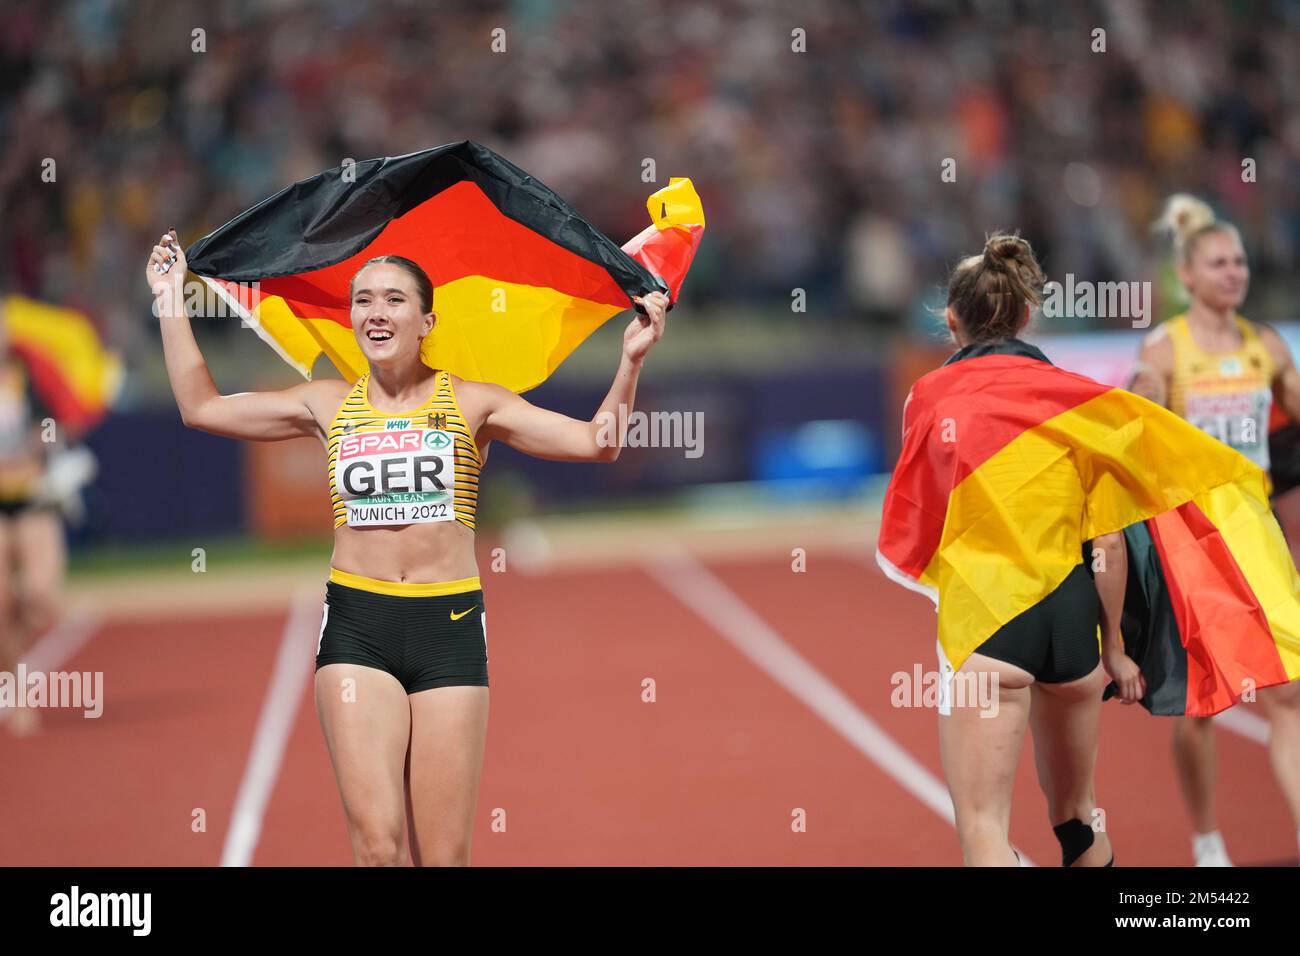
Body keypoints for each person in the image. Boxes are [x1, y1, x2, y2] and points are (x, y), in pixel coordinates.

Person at [146, 229, 670, 865]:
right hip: (358, 628)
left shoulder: (474, 403)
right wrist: (172, 300)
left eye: (394, 300)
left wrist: (631, 360)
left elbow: (598, 443)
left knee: (444, 858)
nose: (375, 312)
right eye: (363, 300)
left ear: (426, 321)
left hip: (446, 626)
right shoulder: (325, 403)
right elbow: (201, 408)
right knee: (377, 847)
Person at [1130, 194, 1300, 866]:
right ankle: (1206, 839)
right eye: (1219, 263)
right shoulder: (1166, 345)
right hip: (1192, 544)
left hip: (1254, 532)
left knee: (1288, 689)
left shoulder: (1265, 345)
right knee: (1204, 702)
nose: (1235, 273)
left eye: (1241, 261)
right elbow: (1144, 388)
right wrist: (1143, 397)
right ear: (1188, 276)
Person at [0, 317, 66, 737]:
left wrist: (36, 446)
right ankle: (18, 692)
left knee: (41, 595)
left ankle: (13, 644)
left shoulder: (25, 377)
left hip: (32, 498)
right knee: (1, 601)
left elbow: (50, 428)